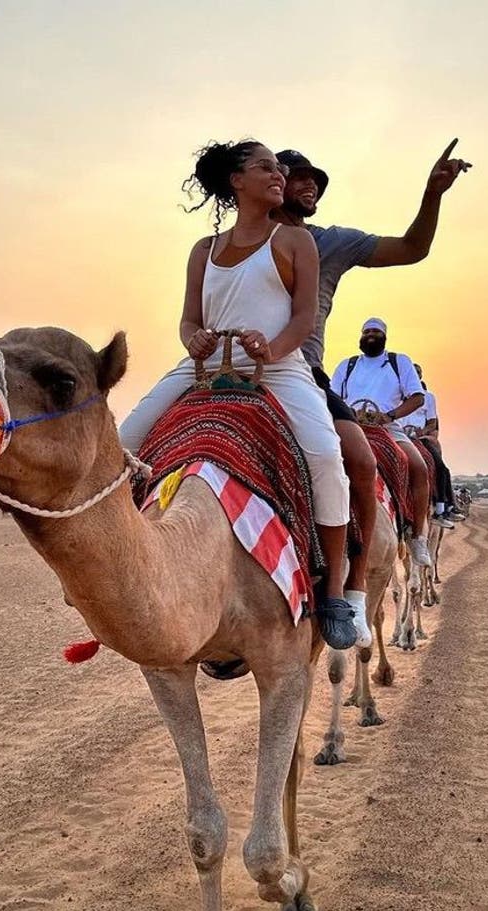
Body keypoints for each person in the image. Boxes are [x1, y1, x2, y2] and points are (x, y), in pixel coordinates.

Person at [119, 140, 358, 650]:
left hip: (279, 368)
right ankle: (118, 557)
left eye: (278, 169)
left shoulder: (295, 241)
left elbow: (303, 319)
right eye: (265, 168)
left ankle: (335, 592)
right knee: (124, 441)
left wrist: (271, 349)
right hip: (205, 367)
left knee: (325, 455)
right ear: (236, 180)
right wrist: (194, 341)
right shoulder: (203, 250)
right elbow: (189, 320)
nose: (278, 175)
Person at [273, 141, 470, 628]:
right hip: (234, 369)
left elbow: (411, 248)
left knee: (379, 462)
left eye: (316, 179)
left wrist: (432, 195)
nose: (311, 185)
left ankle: (358, 584)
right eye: (299, 176)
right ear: (271, 184)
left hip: (303, 375)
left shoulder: (329, 243)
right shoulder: (234, 243)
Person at [330, 318, 434, 564]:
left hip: (388, 427)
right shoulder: (347, 366)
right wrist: (348, 413)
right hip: (350, 426)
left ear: (384, 336)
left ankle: (417, 537)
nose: (371, 335)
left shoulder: (399, 362)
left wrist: (389, 416)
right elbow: (332, 396)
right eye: (367, 331)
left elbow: (417, 398)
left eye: (376, 332)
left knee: (419, 467)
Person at [404, 363, 458, 526]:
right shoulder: (394, 393)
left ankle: (441, 508)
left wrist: (423, 432)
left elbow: (432, 422)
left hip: (418, 438)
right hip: (396, 434)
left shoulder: (428, 398)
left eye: (417, 373)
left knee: (440, 467)